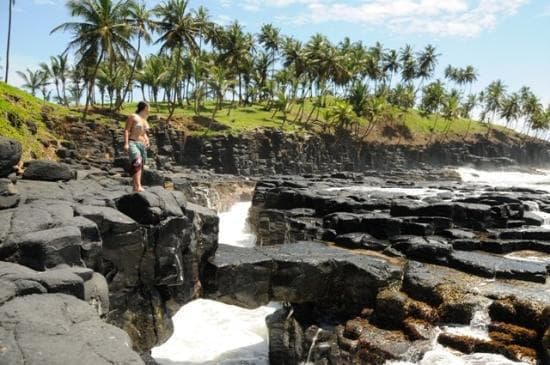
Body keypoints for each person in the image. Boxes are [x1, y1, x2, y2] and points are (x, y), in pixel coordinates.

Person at [124, 101, 150, 192]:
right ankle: (138, 186)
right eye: (148, 107)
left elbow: (143, 133)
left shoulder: (144, 119)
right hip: (133, 143)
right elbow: (127, 130)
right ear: (145, 107)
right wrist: (126, 143)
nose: (149, 109)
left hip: (142, 145)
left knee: (140, 165)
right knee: (137, 162)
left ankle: (135, 186)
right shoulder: (133, 117)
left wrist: (147, 139)